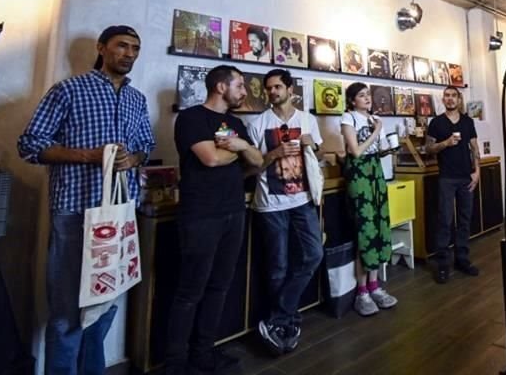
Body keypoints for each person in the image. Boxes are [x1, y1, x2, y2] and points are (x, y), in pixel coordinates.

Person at [18, 25, 155, 375]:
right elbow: (30, 145)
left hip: (121, 215)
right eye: (122, 46)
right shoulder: (68, 90)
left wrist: (132, 159)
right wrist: (88, 157)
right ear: (101, 47)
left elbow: (146, 146)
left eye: (135, 48)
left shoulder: (137, 99)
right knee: (66, 313)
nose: (129, 54)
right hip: (76, 212)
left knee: (105, 307)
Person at [165, 65, 264, 375]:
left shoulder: (235, 123)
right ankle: (175, 364)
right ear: (221, 86)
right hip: (201, 215)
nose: (245, 91)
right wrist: (239, 150)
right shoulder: (192, 118)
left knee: (220, 286)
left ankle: (203, 354)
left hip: (234, 212)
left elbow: (259, 162)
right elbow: (211, 158)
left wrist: (243, 145)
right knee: (190, 291)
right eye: (239, 85)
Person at [246, 69, 324, 355]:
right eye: (269, 88)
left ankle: (277, 317)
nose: (273, 92)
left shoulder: (307, 120)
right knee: (277, 267)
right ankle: (285, 323)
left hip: (303, 201)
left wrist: (311, 145)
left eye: (278, 86)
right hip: (270, 204)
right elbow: (250, 168)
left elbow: (322, 157)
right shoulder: (257, 124)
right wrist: (272, 156)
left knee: (314, 254)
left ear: (290, 89)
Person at [340, 82, 398, 316]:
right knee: (365, 230)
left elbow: (376, 150)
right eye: (361, 96)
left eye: (368, 95)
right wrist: (376, 131)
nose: (367, 99)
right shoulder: (348, 118)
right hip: (359, 174)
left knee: (380, 226)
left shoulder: (374, 120)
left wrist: (389, 148)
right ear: (352, 100)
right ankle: (362, 292)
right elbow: (355, 151)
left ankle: (375, 286)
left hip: (376, 172)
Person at [425, 86, 481, 283]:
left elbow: (474, 147)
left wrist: (477, 172)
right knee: (445, 221)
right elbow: (429, 148)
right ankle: (442, 264)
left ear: (459, 99)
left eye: (453, 96)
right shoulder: (436, 123)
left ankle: (462, 259)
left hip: (466, 177)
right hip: (446, 178)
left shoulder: (467, 122)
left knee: (465, 220)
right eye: (447, 96)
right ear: (443, 99)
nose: (450, 99)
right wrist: (446, 143)